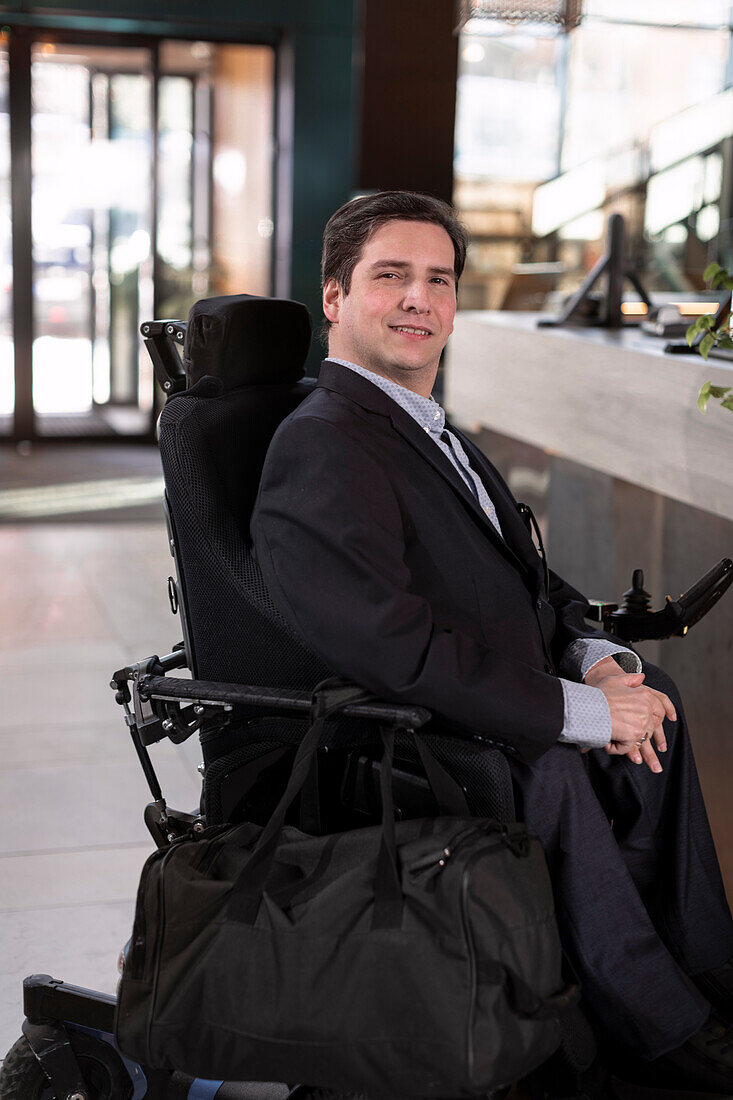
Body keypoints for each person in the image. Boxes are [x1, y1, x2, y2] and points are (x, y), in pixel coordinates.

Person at [251, 190, 733, 1092]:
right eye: (389, 276)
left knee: (650, 691)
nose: (417, 300)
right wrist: (573, 712)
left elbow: (525, 578)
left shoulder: (428, 425)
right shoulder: (323, 444)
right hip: (397, 728)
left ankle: (693, 967)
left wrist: (594, 657)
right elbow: (389, 645)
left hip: (479, 691)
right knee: (547, 765)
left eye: (438, 281)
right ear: (335, 298)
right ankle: (665, 1029)